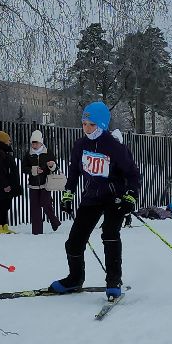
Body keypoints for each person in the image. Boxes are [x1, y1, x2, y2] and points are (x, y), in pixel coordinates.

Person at [48, 102, 142, 298]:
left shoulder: (115, 147)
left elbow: (133, 174)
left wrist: (130, 196)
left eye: (92, 124)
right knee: (74, 241)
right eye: (84, 124)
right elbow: (74, 171)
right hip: (92, 197)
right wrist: (68, 194)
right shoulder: (80, 145)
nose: (87, 128)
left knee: (109, 234)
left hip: (114, 197)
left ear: (102, 125)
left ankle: (113, 281)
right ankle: (75, 279)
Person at [24, 129, 62, 234]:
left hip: (46, 184)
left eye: (35, 142)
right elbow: (23, 168)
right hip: (33, 185)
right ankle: (37, 232)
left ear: (41, 142)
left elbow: (55, 167)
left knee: (46, 204)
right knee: (35, 209)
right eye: (32, 142)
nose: (34, 145)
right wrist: (34, 170)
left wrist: (52, 165)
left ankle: (55, 222)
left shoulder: (48, 152)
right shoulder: (28, 154)